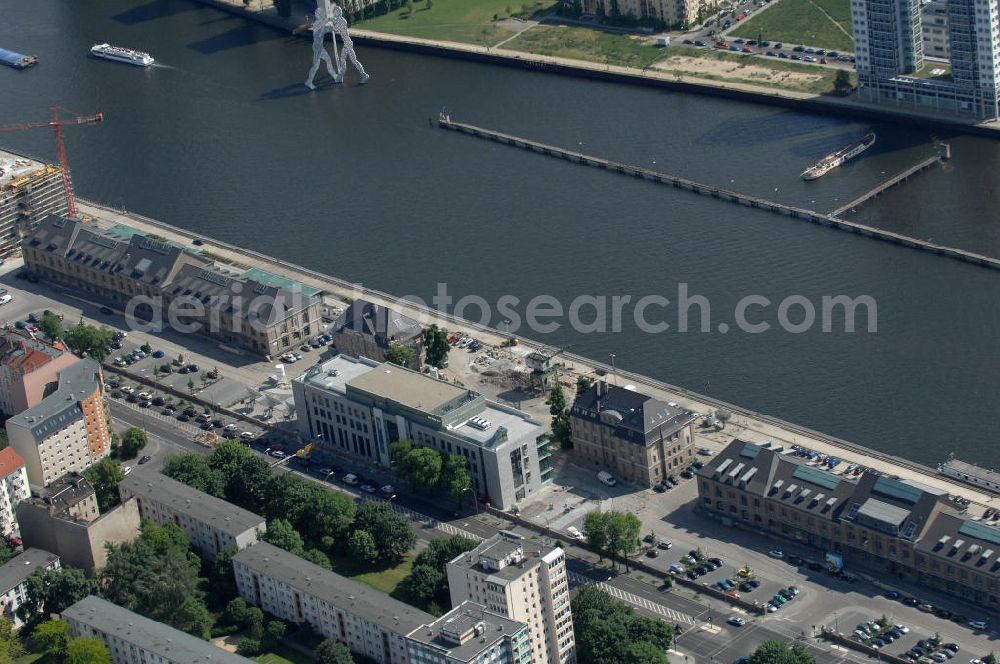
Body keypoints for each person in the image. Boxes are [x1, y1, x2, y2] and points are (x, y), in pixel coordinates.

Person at [305, 0, 340, 89]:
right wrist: (333, 25)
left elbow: (326, 25)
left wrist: (331, 21)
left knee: (328, 61)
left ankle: (335, 76)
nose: (323, 15)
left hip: (320, 47)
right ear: (319, 16)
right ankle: (308, 82)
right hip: (317, 49)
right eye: (322, 14)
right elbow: (326, 29)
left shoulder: (318, 23)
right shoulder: (318, 25)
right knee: (316, 66)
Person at [331, 3, 369, 84]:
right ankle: (341, 76)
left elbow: (336, 28)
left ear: (339, 12)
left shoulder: (342, 21)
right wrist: (330, 20)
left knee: (353, 60)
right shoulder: (338, 20)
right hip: (347, 43)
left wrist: (331, 25)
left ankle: (364, 75)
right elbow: (334, 21)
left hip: (347, 43)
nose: (335, 13)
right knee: (343, 59)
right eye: (334, 12)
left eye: (336, 12)